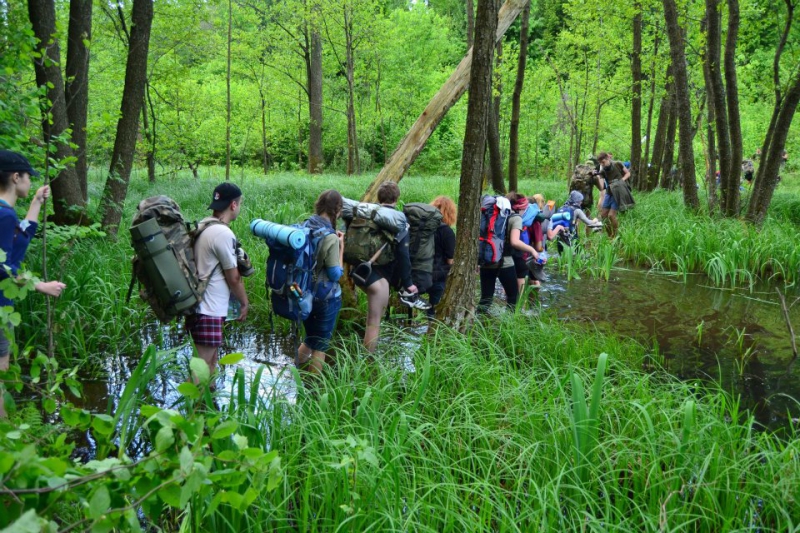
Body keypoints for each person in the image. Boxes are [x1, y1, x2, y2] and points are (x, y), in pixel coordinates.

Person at [0, 150, 66, 418]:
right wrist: (42, 286)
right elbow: (3, 270)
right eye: (28, 177)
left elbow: (19, 240)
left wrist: (37, 201)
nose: (30, 181)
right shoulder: (4, 217)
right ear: (16, 177)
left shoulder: (6, 214)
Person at [186, 182, 249, 384]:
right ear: (233, 205)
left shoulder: (206, 224)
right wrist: (244, 302)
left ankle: (206, 409)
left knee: (210, 364)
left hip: (202, 306)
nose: (239, 207)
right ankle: (191, 412)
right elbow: (234, 277)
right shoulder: (222, 233)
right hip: (209, 308)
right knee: (202, 369)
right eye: (239, 204)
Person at [359, 182, 420, 352]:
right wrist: (408, 283)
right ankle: (367, 365)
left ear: (379, 197)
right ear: (396, 198)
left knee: (371, 318)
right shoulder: (398, 219)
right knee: (373, 322)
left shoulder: (367, 213)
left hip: (358, 271)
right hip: (378, 277)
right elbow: (403, 254)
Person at [297, 190, 344, 373]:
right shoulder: (330, 237)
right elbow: (335, 274)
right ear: (337, 209)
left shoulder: (306, 225)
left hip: (304, 293)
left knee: (310, 338)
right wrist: (341, 248)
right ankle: (314, 391)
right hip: (326, 297)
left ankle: (296, 375)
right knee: (321, 345)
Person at [478, 192, 539, 313]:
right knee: (513, 296)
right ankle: (509, 325)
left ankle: (479, 323)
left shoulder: (492, 215)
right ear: (521, 208)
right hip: (505, 262)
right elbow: (515, 242)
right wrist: (532, 250)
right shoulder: (515, 218)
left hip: (487, 259)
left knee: (486, 297)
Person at [424, 196, 456, 319]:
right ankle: (432, 335)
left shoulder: (424, 227)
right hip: (438, 276)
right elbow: (450, 259)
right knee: (435, 311)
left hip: (420, 272)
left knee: (429, 309)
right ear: (450, 213)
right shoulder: (446, 231)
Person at [597, 151, 633, 238]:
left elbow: (628, 173)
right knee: (603, 215)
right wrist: (595, 178)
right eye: (600, 163)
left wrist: (621, 181)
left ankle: (616, 236)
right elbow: (601, 187)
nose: (602, 164)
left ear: (608, 158)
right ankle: (610, 236)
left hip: (619, 191)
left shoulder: (618, 164)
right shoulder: (602, 171)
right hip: (610, 192)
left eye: (603, 162)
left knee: (611, 215)